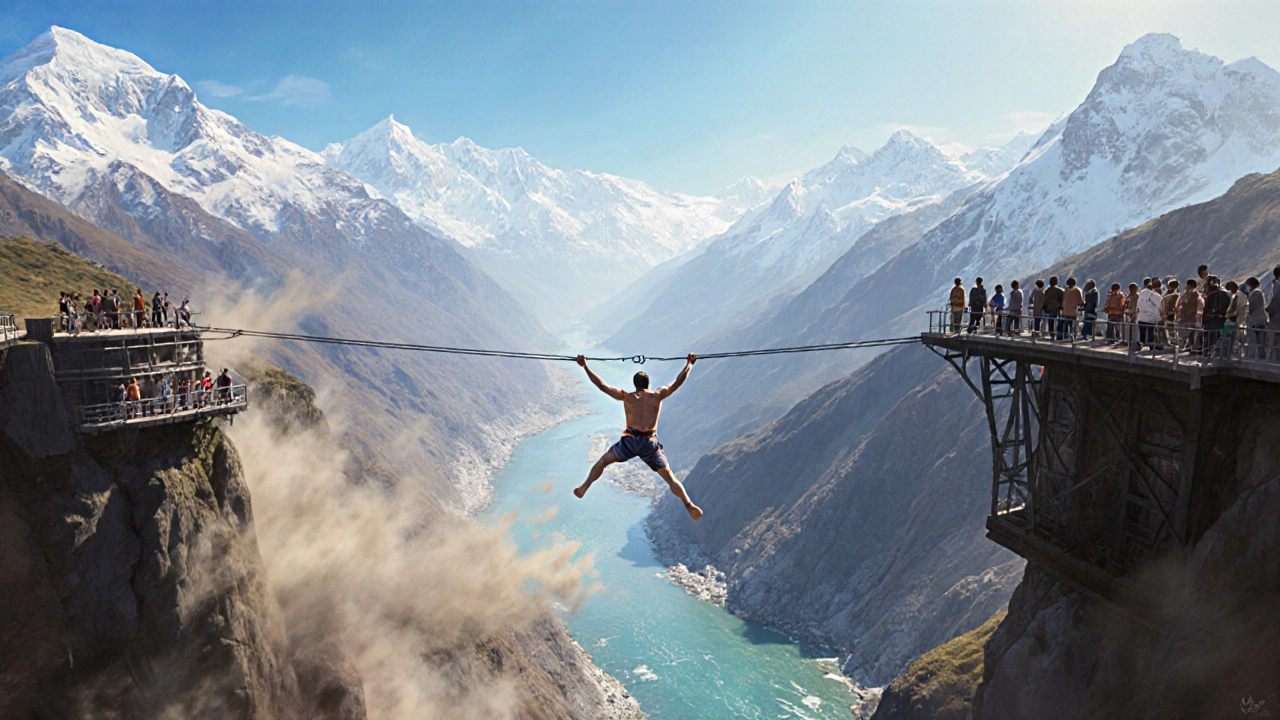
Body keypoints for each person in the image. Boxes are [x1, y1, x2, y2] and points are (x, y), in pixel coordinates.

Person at [574, 354, 703, 520]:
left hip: (629, 441)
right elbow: (678, 382)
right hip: (648, 442)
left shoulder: (626, 397)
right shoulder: (657, 396)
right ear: (648, 384)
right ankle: (689, 504)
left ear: (635, 385)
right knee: (670, 478)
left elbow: (602, 385)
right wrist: (689, 364)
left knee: (603, 462)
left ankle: (584, 487)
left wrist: (585, 366)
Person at [1202, 276, 1230, 356]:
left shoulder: (1212, 296)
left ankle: (1209, 354)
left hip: (1212, 322)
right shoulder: (1226, 294)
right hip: (1221, 321)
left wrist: (1204, 321)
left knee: (1210, 340)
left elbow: (1207, 309)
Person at [1176, 278, 1202, 352]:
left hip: (1191, 320)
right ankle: (1182, 348)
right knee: (1181, 336)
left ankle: (1190, 348)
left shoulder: (1196, 295)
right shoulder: (1184, 294)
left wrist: (1198, 319)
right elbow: (1178, 304)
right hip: (1184, 319)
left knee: (1190, 336)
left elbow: (1199, 307)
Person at [1246, 278, 1268, 359]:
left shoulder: (1256, 293)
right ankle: (1260, 358)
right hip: (1258, 320)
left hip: (1258, 321)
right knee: (1259, 342)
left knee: (1258, 342)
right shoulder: (1257, 293)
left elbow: (1251, 306)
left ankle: (1260, 359)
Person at [1137, 279, 1163, 350]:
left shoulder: (1141, 294)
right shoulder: (1156, 296)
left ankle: (1141, 344)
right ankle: (1152, 348)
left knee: (1142, 332)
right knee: (1150, 334)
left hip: (1141, 316)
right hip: (1150, 317)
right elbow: (1159, 307)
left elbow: (1138, 305)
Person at [1160, 279, 1180, 351]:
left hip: (1168, 316)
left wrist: (1164, 315)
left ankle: (1168, 344)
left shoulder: (1166, 296)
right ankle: (1176, 344)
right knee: (1175, 332)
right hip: (1176, 316)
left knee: (1167, 330)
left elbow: (1164, 307)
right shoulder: (1179, 296)